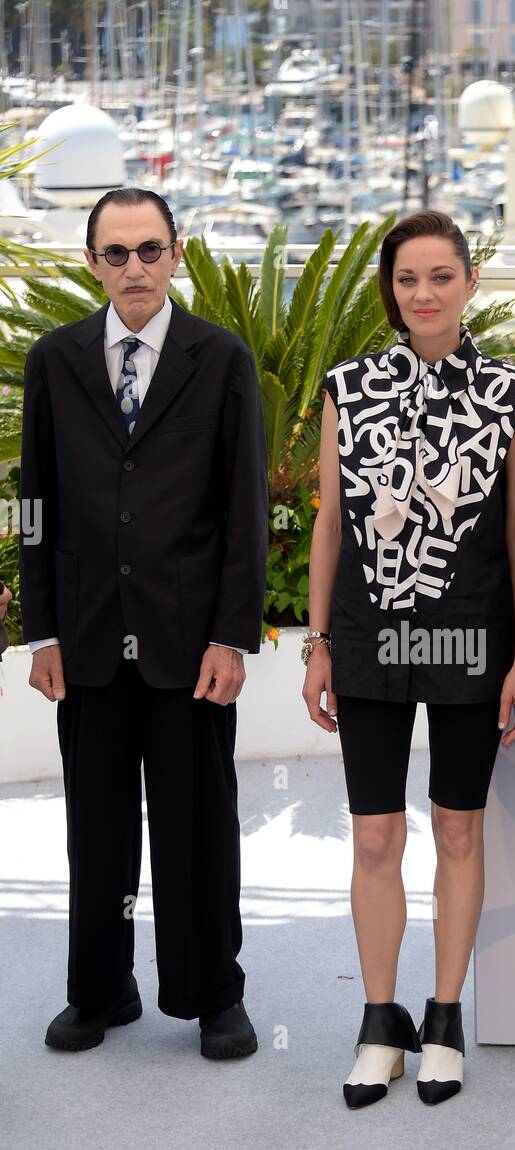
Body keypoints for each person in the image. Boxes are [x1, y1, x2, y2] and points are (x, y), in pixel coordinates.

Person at [18, 187, 269, 1059]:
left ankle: (212, 996)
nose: (135, 268)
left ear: (177, 253)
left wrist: (233, 636)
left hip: (189, 642)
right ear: (92, 261)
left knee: (198, 824)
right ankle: (99, 990)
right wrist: (40, 631)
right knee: (95, 824)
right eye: (116, 253)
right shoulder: (54, 360)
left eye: (150, 250)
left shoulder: (221, 358)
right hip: (86, 637)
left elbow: (243, 508)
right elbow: (34, 505)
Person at [304, 210, 515, 1108]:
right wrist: (319, 643)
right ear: (390, 290)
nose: (424, 294)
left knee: (456, 827)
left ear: (469, 283)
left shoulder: (513, 394)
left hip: (472, 637)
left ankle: (444, 1016)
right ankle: (378, 1020)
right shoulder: (347, 386)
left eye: (441, 276)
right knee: (373, 833)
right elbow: (329, 523)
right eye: (408, 279)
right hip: (367, 636)